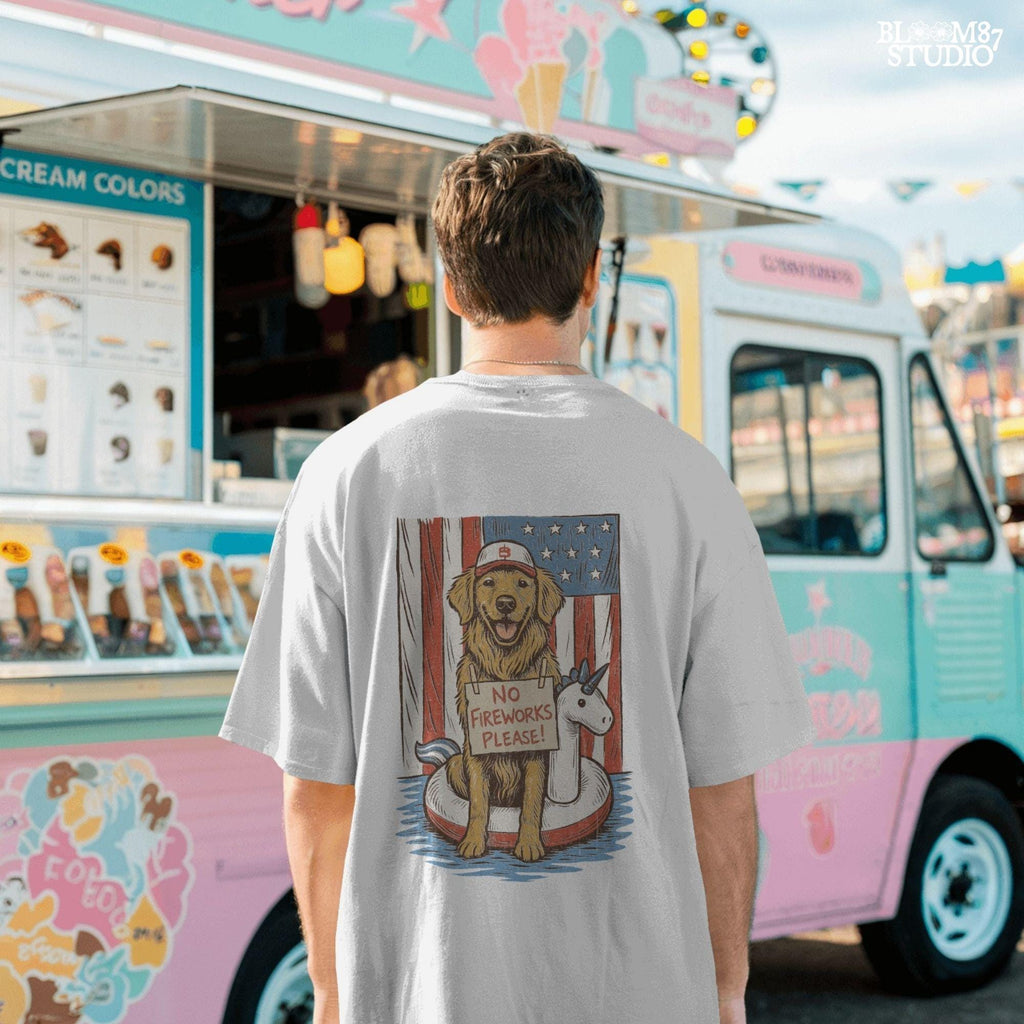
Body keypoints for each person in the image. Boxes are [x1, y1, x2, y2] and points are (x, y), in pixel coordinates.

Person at [219, 132, 815, 1024]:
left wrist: (338, 995)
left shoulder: (343, 474)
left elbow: (315, 783)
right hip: (643, 996)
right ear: (589, 283)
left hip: (422, 998)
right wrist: (726, 989)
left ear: (451, 288)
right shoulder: (690, 479)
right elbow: (722, 788)